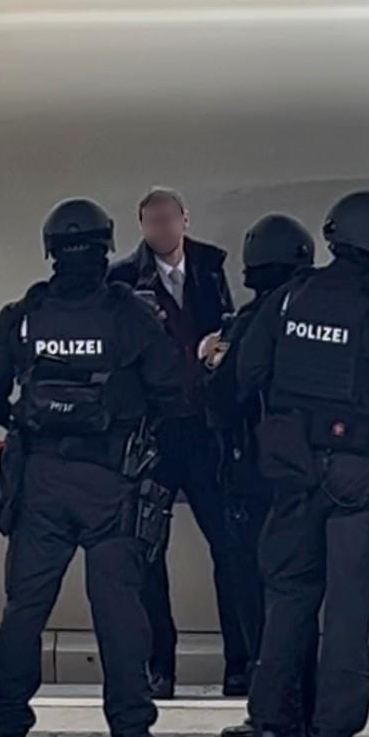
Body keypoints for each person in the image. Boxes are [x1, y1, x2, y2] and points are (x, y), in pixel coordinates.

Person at [0, 197, 184, 737]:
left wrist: (20, 422)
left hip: (40, 482)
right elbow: (172, 389)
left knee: (25, 608)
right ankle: (132, 735)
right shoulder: (129, 315)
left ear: (52, 252)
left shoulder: (24, 315)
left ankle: (4, 732)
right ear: (105, 248)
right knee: (119, 610)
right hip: (112, 482)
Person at [237, 194, 369, 737]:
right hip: (358, 476)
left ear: (332, 236)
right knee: (347, 609)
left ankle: (270, 730)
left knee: (287, 600)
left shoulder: (288, 299)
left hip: (292, 473)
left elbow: (248, 372)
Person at [109, 187, 255, 699]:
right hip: (154, 434)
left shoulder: (212, 268)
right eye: (153, 222)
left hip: (206, 431)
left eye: (169, 220)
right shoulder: (122, 280)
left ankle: (241, 664)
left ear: (185, 220)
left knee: (231, 547)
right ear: (142, 225)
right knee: (148, 553)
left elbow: (231, 332)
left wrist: (219, 353)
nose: (162, 229)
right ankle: (159, 666)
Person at [205, 214, 318, 737]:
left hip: (255, 479)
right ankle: (312, 708)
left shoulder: (250, 323)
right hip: (312, 478)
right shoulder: (320, 315)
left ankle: (273, 712)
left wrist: (211, 361)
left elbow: (223, 403)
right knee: (305, 597)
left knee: (261, 598)